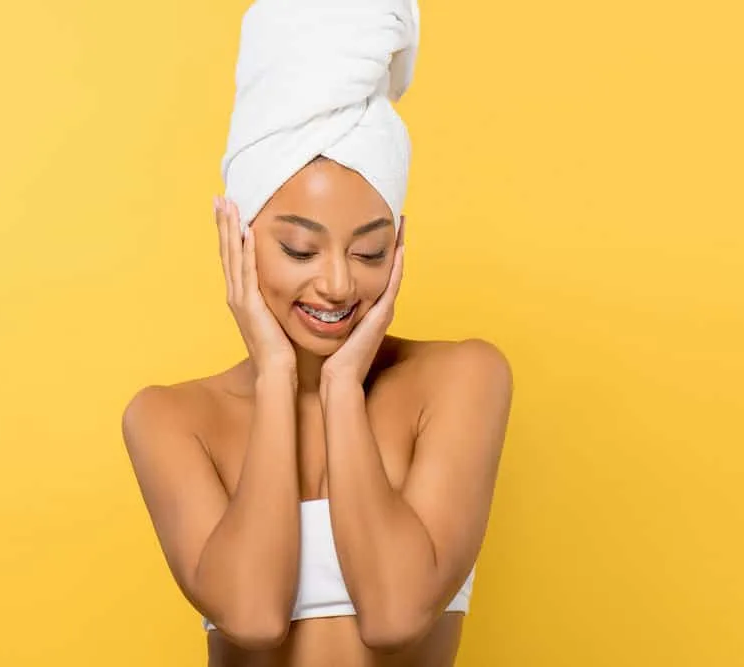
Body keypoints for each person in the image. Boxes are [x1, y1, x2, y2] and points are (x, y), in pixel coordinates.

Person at [122, 2, 513, 665]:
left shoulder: (461, 380)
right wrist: (276, 373)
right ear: (237, 239)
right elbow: (252, 615)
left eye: (369, 252)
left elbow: (394, 613)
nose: (337, 285)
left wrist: (339, 389)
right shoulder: (169, 418)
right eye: (301, 250)